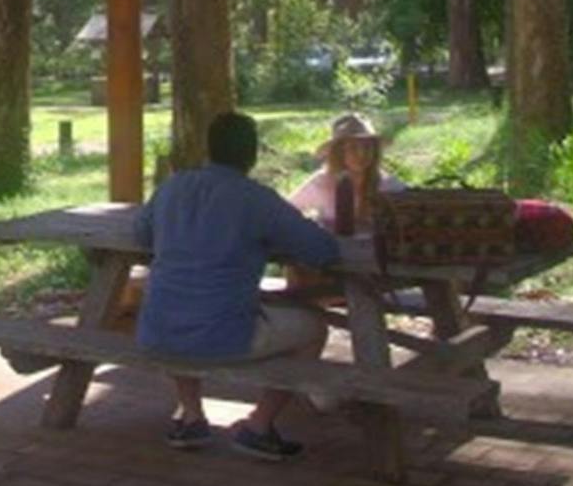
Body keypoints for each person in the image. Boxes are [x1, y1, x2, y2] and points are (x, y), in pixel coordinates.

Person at [132, 111, 340, 459]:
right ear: (253, 154)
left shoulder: (172, 187)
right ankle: (259, 426)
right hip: (224, 334)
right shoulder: (257, 199)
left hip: (157, 331)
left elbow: (141, 234)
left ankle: (192, 416)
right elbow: (322, 251)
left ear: (208, 149)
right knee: (314, 326)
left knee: (181, 308)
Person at [289, 113, 406, 230]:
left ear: (375, 151)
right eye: (352, 147)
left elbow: (414, 208)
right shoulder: (321, 183)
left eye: (367, 147)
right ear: (338, 152)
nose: (361, 154)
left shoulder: (387, 184)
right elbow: (286, 212)